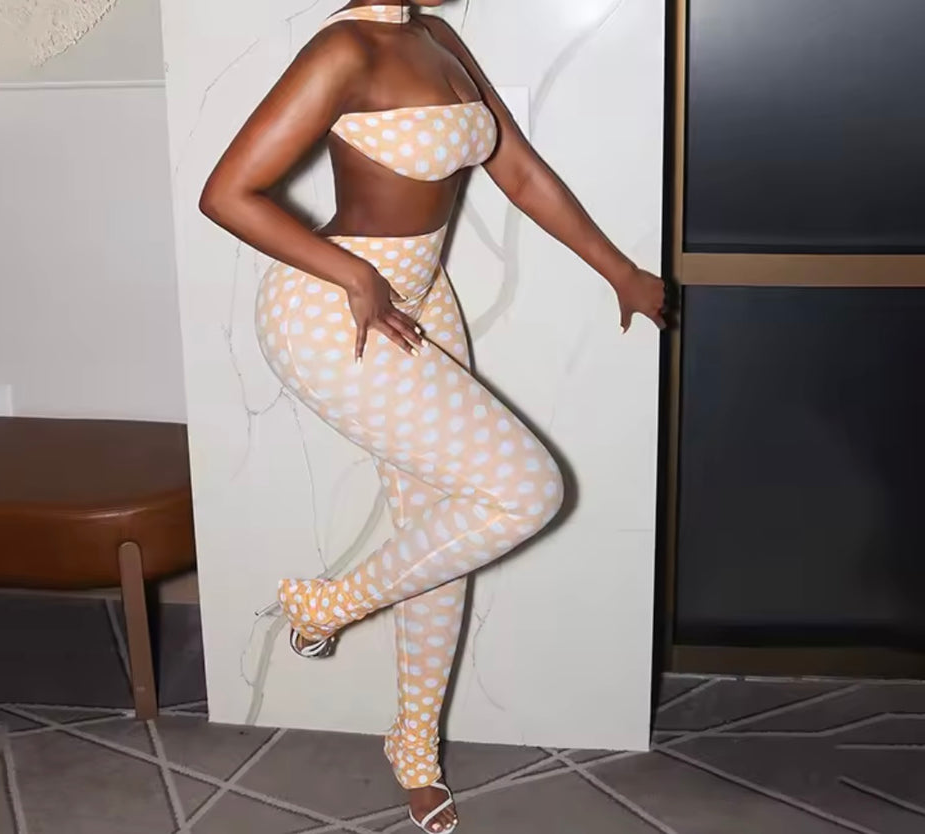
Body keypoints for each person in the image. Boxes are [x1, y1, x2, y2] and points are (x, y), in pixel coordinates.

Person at [199, 2, 666, 830]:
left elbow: (520, 172)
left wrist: (619, 271)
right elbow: (227, 194)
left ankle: (413, 745)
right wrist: (352, 274)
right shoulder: (343, 50)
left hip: (421, 297)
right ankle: (327, 606)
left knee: (441, 527)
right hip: (335, 306)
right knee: (526, 491)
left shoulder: (436, 38)